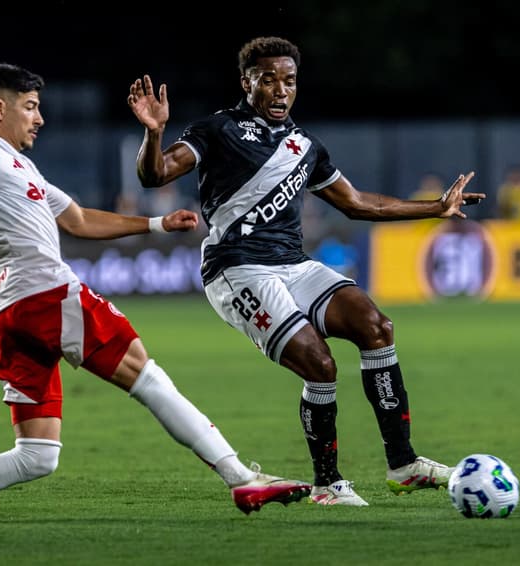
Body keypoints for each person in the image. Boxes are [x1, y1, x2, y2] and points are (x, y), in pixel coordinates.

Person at [0, 61, 311, 523]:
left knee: (37, 454)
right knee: (146, 375)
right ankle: (242, 479)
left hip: (12, 315)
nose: (39, 117)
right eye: (30, 107)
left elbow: (77, 220)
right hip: (45, 296)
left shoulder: (22, 168)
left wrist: (156, 223)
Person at [128, 36, 485, 507]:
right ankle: (328, 485)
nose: (280, 90)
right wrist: (154, 133)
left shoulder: (304, 146)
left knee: (376, 326)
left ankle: (403, 465)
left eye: (289, 81)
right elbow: (155, 175)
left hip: (294, 266)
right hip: (237, 270)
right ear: (246, 82)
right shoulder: (216, 130)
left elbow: (357, 204)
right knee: (320, 364)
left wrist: (435, 208)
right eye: (268, 79)